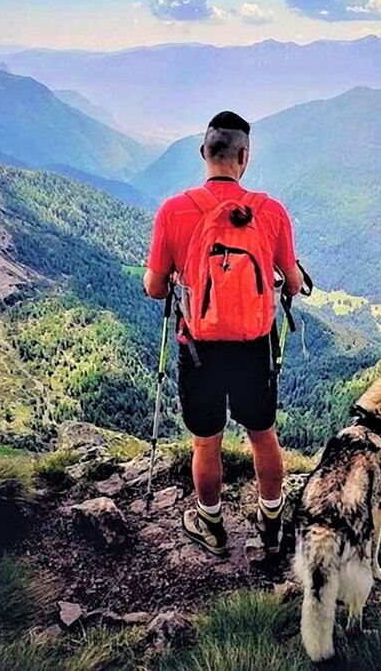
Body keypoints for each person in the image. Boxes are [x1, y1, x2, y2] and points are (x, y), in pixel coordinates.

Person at [144, 110, 304, 556]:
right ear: (244, 156)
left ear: (203, 153)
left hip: (199, 349)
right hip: (254, 347)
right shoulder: (270, 212)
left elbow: (155, 288)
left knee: (206, 440)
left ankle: (211, 525)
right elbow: (292, 283)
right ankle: (271, 522)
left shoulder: (173, 211)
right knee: (262, 434)